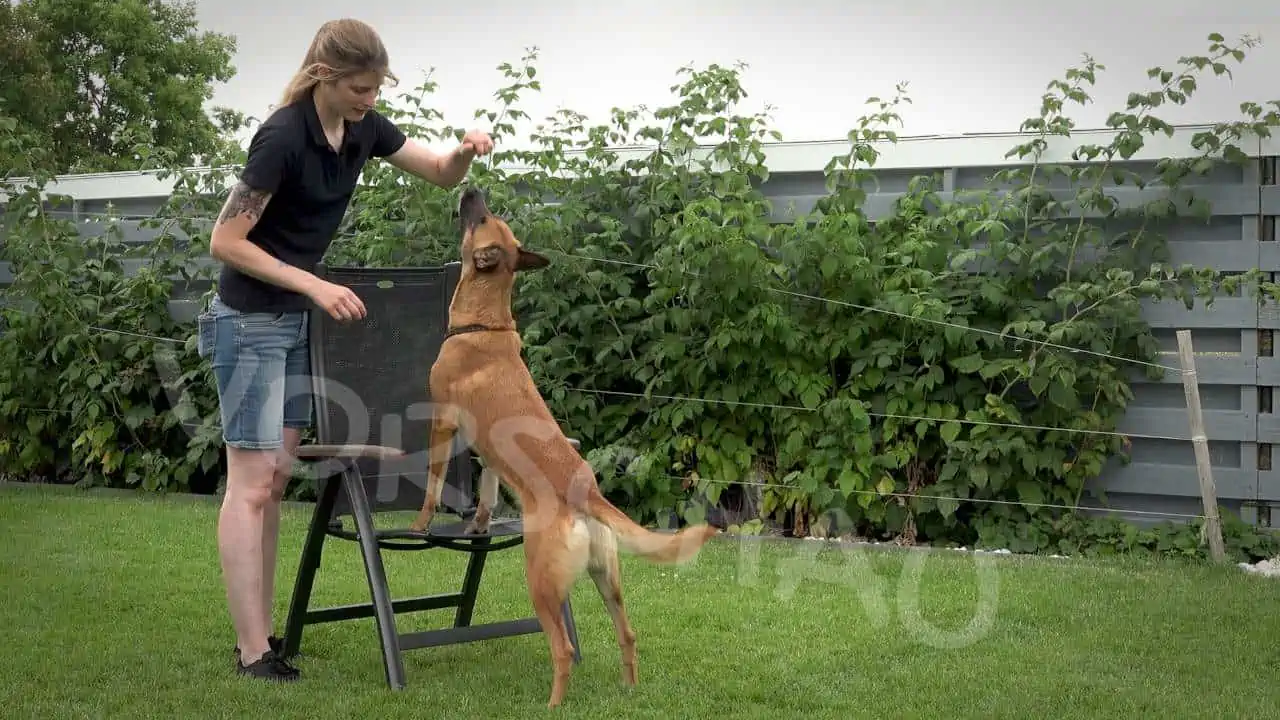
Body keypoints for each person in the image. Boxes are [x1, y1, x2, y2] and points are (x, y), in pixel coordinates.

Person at [196, 17, 494, 682]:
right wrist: (314, 284)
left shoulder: (364, 127)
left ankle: (264, 635)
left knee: (276, 478)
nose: (371, 100)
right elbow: (226, 241)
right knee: (249, 486)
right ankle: (252, 653)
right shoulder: (281, 137)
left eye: (377, 89)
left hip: (299, 322)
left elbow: (442, 174)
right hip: (248, 322)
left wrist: (467, 150)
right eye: (360, 87)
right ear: (325, 76)